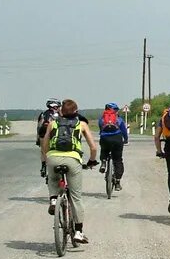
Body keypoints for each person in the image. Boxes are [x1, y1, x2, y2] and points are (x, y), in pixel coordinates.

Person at [41, 98, 98, 244]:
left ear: (61, 111)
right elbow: (93, 147)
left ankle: (54, 199)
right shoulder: (82, 124)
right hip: (73, 160)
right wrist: (91, 161)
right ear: (76, 111)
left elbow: (44, 145)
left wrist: (47, 159)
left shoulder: (53, 124)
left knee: (53, 179)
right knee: (76, 197)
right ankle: (78, 232)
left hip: (53, 157)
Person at [98, 102, 129, 191]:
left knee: (104, 150)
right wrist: (125, 140)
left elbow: (101, 129)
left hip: (105, 139)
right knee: (118, 160)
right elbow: (124, 131)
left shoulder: (102, 119)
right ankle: (118, 182)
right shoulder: (119, 119)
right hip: (117, 139)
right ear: (116, 110)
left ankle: (103, 162)